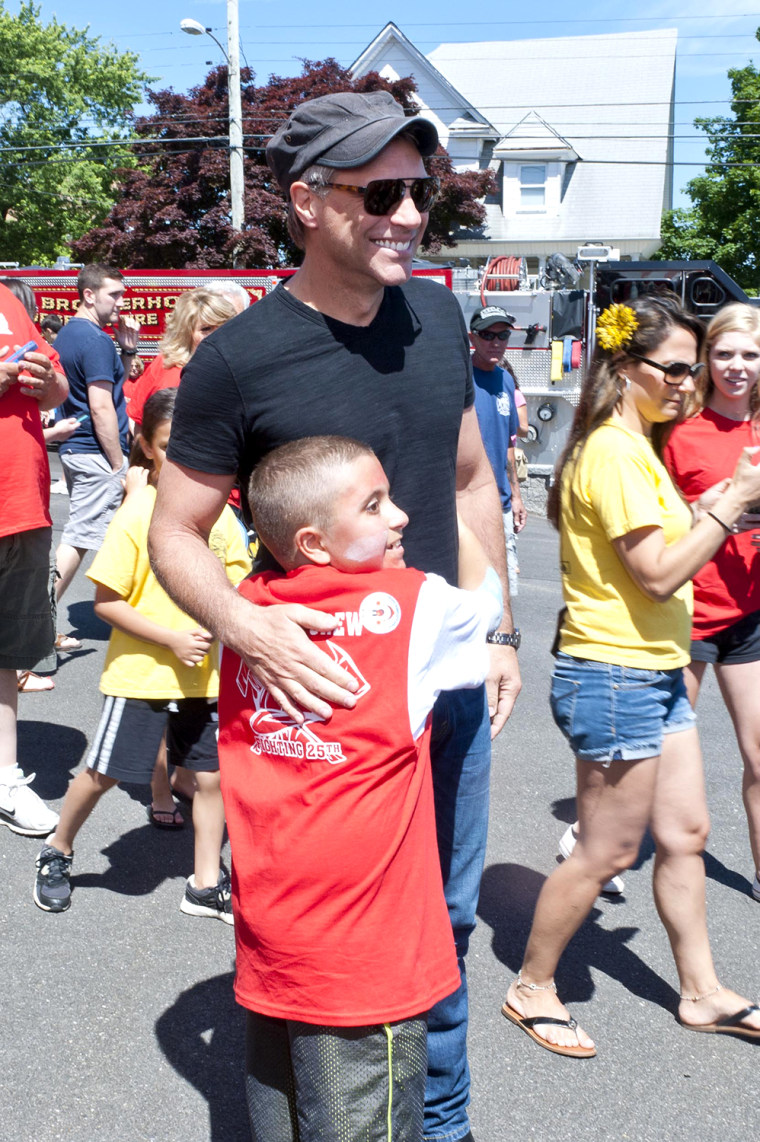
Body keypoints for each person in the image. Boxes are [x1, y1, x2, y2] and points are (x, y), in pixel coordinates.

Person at [148, 90, 521, 1142]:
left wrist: (496, 628)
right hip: (326, 705)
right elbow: (175, 533)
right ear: (307, 200)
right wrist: (252, 628)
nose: (410, 214)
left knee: (444, 923)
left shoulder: (438, 314)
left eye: (422, 192)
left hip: (441, 682)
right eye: (383, 192)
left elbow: (464, 485)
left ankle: (438, 1125)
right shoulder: (242, 357)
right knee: (314, 935)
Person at [219, 435, 502, 1142]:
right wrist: (460, 500)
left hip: (274, 941)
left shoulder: (250, 611)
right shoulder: (414, 607)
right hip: (365, 962)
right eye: (376, 505)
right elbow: (489, 597)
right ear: (313, 543)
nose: (402, 516)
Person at [502, 295, 760, 1058]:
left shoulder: (635, 443)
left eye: (692, 368)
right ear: (624, 367)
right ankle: (532, 986)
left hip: (650, 670)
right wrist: (732, 504)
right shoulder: (614, 453)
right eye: (675, 368)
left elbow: (664, 542)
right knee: (607, 851)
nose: (689, 383)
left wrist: (718, 507)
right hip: (613, 674)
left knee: (685, 832)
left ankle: (702, 991)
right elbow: (653, 575)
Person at [33, 389, 251, 917]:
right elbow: (105, 603)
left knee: (211, 779)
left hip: (204, 679)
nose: (184, 455)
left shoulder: (219, 516)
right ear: (147, 448)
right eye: (170, 445)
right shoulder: (138, 514)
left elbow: (239, 588)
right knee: (105, 773)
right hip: (141, 676)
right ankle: (57, 850)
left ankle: (203, 883)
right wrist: (171, 637)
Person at [664, 302, 760, 903]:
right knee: (654, 754)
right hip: (688, 614)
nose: (736, 366)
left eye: (749, 354)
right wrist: (706, 514)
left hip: (749, 614)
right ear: (706, 359)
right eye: (723, 353)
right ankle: (597, 844)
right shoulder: (680, 431)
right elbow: (652, 527)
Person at [0, 281, 68, 835]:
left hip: (21, 505)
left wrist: (47, 383)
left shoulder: (8, 299)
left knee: (6, 653)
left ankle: (3, 776)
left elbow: (55, 392)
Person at [53, 263, 140, 611]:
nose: (121, 302)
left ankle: (39, 624)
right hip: (98, 453)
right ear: (89, 295)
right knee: (79, 537)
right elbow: (102, 405)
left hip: (77, 450)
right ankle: (35, 624)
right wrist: (118, 463)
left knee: (99, 532)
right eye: (114, 295)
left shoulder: (69, 334)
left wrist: (127, 351)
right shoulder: (95, 340)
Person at [469, 306, 527, 598]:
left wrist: (516, 495)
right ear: (472, 338)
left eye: (502, 334)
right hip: (468, 503)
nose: (496, 342)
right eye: (487, 334)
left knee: (503, 591)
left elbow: (508, 443)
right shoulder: (461, 377)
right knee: (471, 589)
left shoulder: (505, 379)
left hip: (502, 503)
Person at [127, 288, 239, 429]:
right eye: (206, 329)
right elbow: (135, 419)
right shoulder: (165, 364)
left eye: (223, 327)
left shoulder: (238, 368)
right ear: (186, 333)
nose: (215, 336)